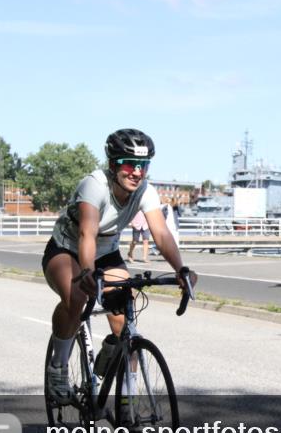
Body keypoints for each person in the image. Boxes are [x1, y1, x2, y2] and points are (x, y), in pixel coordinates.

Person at [41, 128, 194, 403]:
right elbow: (87, 233)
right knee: (76, 297)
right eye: (129, 164)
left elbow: (160, 233)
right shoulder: (94, 185)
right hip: (67, 248)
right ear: (113, 165)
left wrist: (181, 270)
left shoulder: (145, 191)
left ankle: (124, 390)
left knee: (125, 314)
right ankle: (58, 367)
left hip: (106, 253)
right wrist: (87, 272)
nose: (137, 172)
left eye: (143, 165)